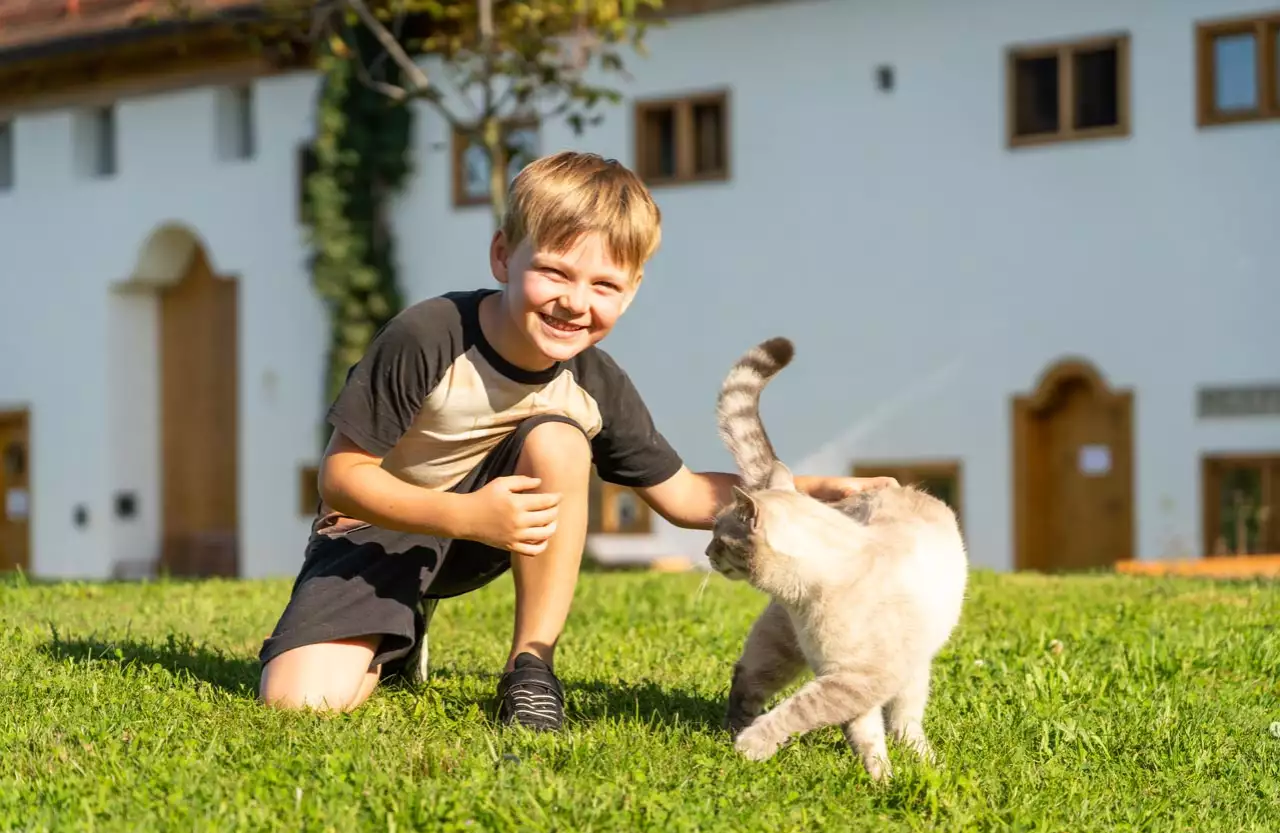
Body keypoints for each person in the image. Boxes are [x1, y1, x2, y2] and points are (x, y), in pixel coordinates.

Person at [256, 151, 895, 730]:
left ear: (632, 290)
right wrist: (466, 514)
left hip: (489, 532)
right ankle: (399, 632)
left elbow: (683, 496)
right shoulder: (427, 335)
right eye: (554, 272)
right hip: (375, 528)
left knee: (560, 439)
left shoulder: (593, 381)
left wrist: (815, 493)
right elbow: (342, 478)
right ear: (503, 256)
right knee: (301, 701)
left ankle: (531, 670)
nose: (575, 302)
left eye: (605, 285)